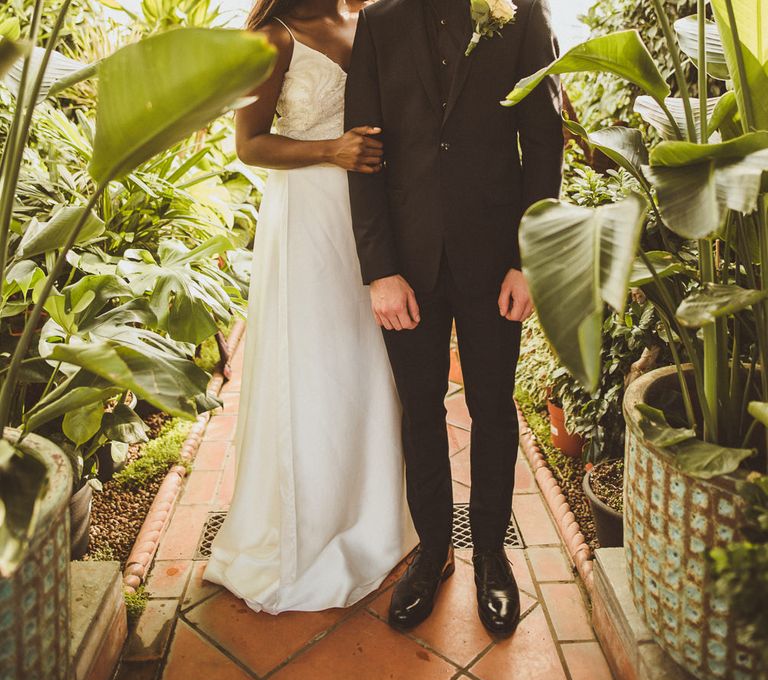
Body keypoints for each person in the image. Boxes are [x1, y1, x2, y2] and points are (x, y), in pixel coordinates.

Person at [345, 0, 563, 635]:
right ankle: (434, 551)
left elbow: (545, 137)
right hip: (408, 264)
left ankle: (491, 556)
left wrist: (530, 258)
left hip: (496, 257)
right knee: (421, 409)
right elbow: (365, 155)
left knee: (494, 406)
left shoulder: (521, 13)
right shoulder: (378, 23)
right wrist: (379, 269)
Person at [204, 0, 417, 613]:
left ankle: (373, 516)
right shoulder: (274, 39)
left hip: (370, 215)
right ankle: (311, 528)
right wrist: (331, 151)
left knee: (366, 363)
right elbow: (249, 145)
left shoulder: (367, 19)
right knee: (315, 365)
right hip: (307, 219)